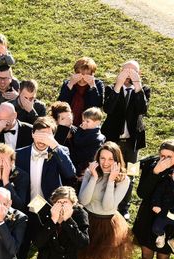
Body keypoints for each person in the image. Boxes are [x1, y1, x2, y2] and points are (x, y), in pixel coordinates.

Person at [15, 116, 76, 259]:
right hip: (25, 208)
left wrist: (54, 145)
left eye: (48, 136)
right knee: (21, 249)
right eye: (40, 134)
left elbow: (70, 172)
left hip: (50, 211)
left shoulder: (59, 151)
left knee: (48, 251)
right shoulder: (19, 154)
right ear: (33, 134)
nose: (43, 140)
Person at [76, 142, 132, 259]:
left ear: (117, 160)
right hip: (88, 221)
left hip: (107, 223)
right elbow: (83, 201)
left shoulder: (123, 179)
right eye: (102, 158)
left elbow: (109, 206)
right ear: (98, 158)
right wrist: (93, 177)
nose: (106, 163)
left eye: (110, 159)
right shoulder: (90, 172)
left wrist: (110, 181)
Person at [102, 60, 150, 219]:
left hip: (132, 143)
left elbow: (143, 109)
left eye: (133, 71)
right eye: (126, 70)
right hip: (112, 140)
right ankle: (108, 202)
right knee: (109, 171)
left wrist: (137, 85)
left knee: (131, 173)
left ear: (139, 73)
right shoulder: (111, 88)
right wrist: (118, 84)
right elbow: (108, 109)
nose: (129, 74)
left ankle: (124, 207)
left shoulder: (143, 90)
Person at [132, 140, 174, 259]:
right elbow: (142, 193)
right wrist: (156, 172)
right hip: (148, 218)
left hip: (169, 223)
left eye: (169, 157)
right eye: (162, 155)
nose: (164, 159)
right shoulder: (151, 165)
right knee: (146, 256)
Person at [58, 57, 104, 126]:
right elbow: (60, 104)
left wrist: (92, 86)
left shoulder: (97, 84)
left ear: (92, 74)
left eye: (87, 75)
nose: (82, 78)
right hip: (68, 123)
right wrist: (70, 84)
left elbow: (97, 105)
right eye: (80, 73)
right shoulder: (68, 83)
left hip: (88, 125)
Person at [72, 107, 106, 178]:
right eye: (83, 121)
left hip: (84, 165)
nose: (84, 123)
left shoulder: (95, 136)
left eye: (87, 121)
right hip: (80, 163)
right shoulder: (90, 132)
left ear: (97, 122)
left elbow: (77, 141)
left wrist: (80, 129)